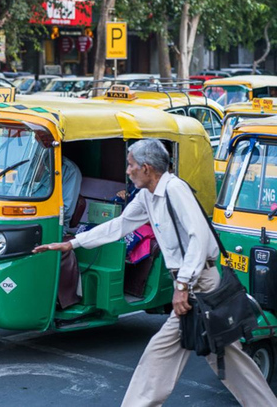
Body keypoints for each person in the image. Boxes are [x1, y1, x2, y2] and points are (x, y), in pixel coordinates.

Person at [33, 139, 277, 406]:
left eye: (131, 165)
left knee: (170, 353)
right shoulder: (149, 195)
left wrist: (183, 286)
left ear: (147, 168)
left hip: (200, 285)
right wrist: (72, 243)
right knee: (222, 356)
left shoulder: (175, 190)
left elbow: (199, 237)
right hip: (192, 284)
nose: (128, 171)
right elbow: (120, 225)